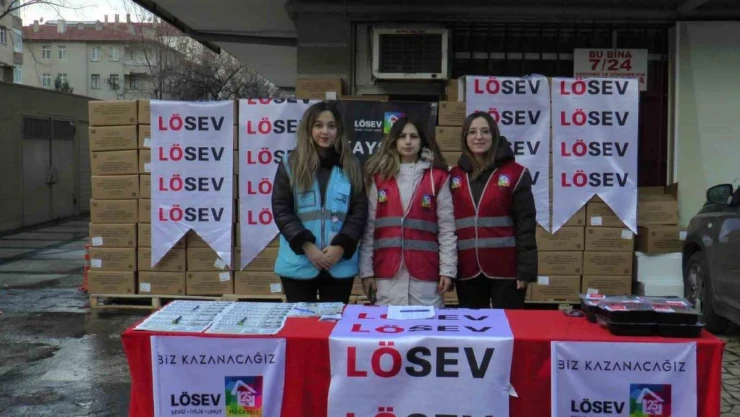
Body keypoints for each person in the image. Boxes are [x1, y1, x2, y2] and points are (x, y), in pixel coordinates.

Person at [272, 101, 368, 303]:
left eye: (331, 126)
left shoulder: (351, 165)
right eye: (318, 125)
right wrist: (306, 246)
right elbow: (281, 210)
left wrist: (340, 247)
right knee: (301, 321)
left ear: (339, 130)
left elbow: (359, 212)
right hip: (300, 261)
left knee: (332, 321)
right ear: (309, 129)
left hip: (338, 262)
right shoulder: (290, 164)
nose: (325, 132)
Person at [359, 117, 457, 307]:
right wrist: (366, 272)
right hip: (387, 275)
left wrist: (447, 270)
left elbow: (446, 229)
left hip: (425, 276)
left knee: (426, 326)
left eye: (414, 136)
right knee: (387, 325)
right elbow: (369, 229)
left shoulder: (437, 177)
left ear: (422, 141)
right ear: (394, 140)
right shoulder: (379, 178)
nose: (408, 141)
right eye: (402, 136)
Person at [449, 111, 537, 309]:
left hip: (507, 271)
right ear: (465, 138)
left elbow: (526, 225)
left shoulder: (516, 173)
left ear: (494, 136)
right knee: (471, 327)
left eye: (485, 131)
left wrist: (525, 270)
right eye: (472, 132)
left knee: (509, 325)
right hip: (467, 270)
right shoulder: (453, 176)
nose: (478, 137)